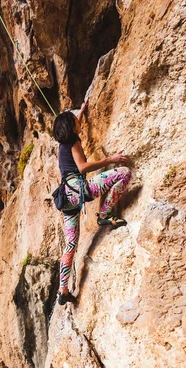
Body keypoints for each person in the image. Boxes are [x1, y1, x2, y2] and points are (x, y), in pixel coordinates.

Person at [53, 101, 132, 305]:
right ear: (71, 128)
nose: (79, 122)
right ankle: (104, 215)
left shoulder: (63, 145)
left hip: (66, 198)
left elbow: (75, 122)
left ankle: (63, 290)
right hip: (79, 190)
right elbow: (82, 167)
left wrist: (82, 110)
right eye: (76, 121)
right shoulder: (73, 143)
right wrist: (110, 159)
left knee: (70, 244)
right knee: (124, 173)